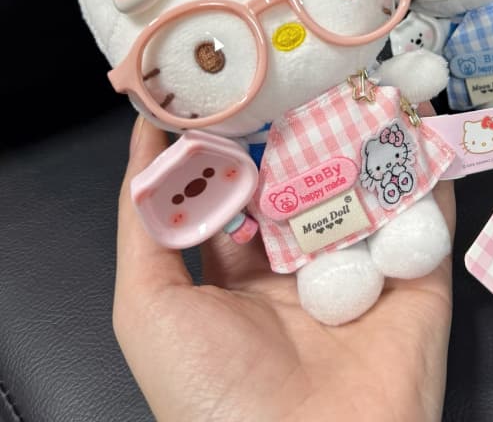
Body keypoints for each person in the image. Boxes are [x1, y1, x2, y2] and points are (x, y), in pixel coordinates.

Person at [113, 116, 456, 422]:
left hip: (364, 157)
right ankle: (342, 263)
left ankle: (402, 228)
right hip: (298, 209)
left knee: (397, 194)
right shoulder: (226, 141)